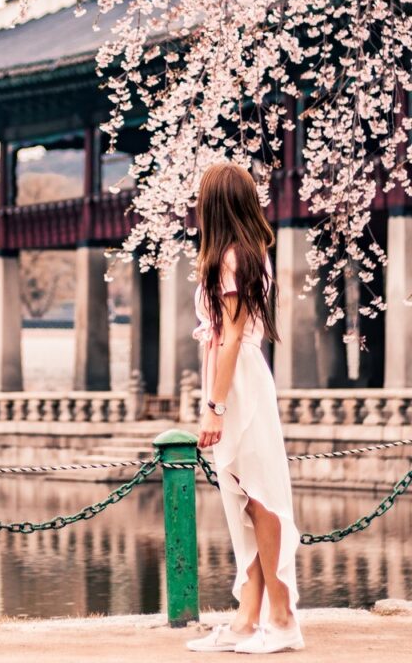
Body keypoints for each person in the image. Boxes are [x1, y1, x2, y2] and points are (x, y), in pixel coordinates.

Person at [186, 162, 303, 654]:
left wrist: (214, 405)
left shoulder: (235, 257)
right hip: (235, 378)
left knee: (258, 497)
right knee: (241, 499)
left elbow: (232, 335)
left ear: (216, 205)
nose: (195, 206)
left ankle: (281, 619)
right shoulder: (242, 255)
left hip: (239, 384)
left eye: (201, 199)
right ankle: (246, 618)